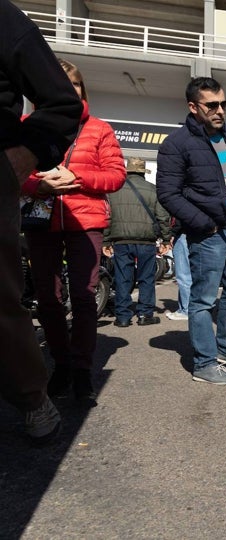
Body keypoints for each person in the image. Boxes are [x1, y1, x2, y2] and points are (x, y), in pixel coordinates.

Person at [0, 0, 82, 442]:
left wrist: (23, 162)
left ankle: (33, 395)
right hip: (38, 213)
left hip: (78, 224)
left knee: (13, 300)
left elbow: (62, 107)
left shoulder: (5, 19)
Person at [22, 58, 126, 407]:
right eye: (59, 85)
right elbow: (11, 173)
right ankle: (61, 365)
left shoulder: (99, 129)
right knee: (48, 299)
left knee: (84, 298)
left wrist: (77, 179)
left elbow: (115, 176)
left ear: (83, 90)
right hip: (40, 220)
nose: (69, 92)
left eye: (75, 85)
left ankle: (81, 369)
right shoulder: (27, 126)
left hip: (86, 221)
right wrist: (38, 185)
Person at [156, 76, 226, 385]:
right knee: (202, 300)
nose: (219, 110)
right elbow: (168, 193)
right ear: (193, 106)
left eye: (223, 103)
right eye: (211, 105)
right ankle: (203, 363)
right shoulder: (177, 144)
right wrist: (204, 224)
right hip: (208, 233)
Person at [103, 157, 171, 327]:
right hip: (146, 241)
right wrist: (166, 239)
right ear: (142, 172)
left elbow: (107, 217)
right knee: (146, 278)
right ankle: (145, 314)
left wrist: (106, 241)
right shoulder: (153, 190)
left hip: (121, 240)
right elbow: (163, 217)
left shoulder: (114, 190)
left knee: (122, 277)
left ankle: (123, 317)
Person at [165, 217, 191, 321]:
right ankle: (184, 308)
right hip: (196, 234)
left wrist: (172, 233)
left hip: (183, 234)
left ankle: (186, 310)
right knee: (191, 274)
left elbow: (179, 218)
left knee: (183, 275)